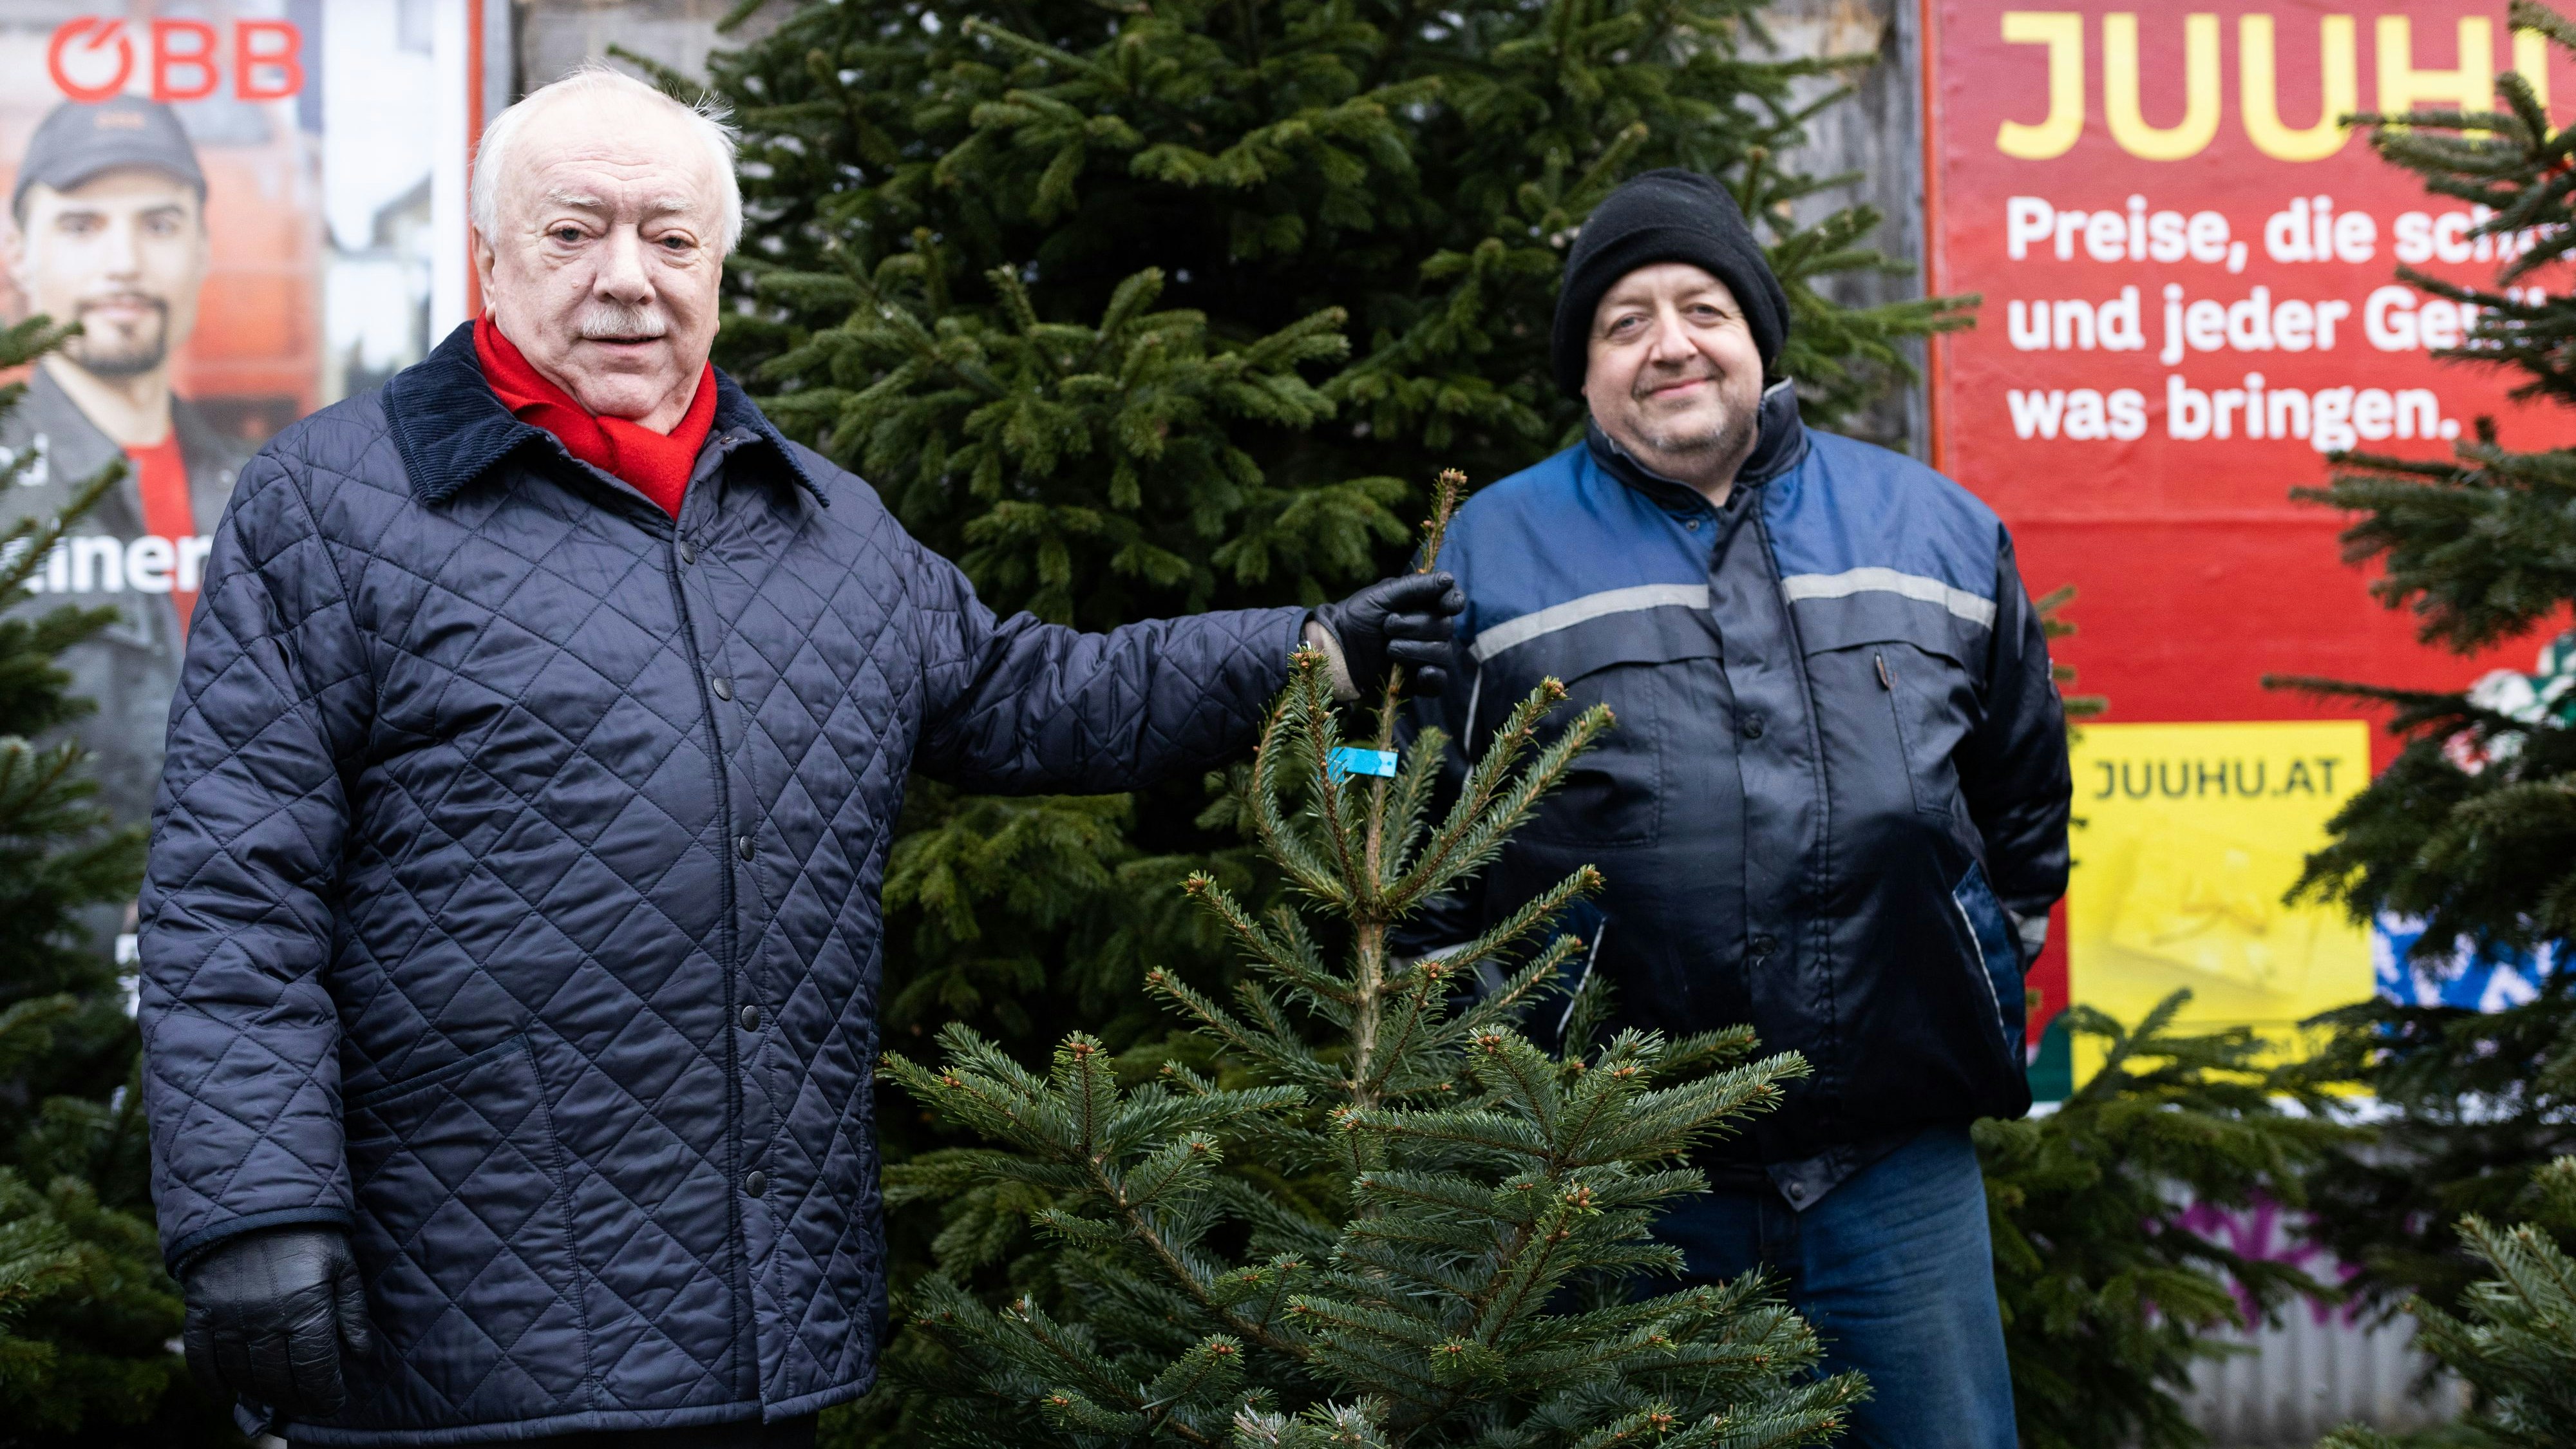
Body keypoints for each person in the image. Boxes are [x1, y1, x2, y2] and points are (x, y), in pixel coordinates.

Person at [138, 68, 1457, 1446]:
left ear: (717, 266)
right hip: (456, 1322)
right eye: (572, 232)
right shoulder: (332, 506)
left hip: (761, 1325)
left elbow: (1038, 694)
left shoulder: (826, 525)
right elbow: (233, 890)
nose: (626, 280)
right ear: (486, 261)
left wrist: (1312, 653)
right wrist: (256, 1211)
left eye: (669, 237)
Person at [1405, 169, 2070, 1448]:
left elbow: (2019, 787)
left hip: (1895, 1164)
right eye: (1622, 322)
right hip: (1611, 1176)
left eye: (1699, 306)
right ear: (1586, 371)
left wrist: (1994, 940)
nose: (1668, 345)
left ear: (1755, 332)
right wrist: (1338, 750)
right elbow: (1389, 793)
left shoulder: (1933, 528)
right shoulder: (1486, 551)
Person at [1, 95, 247, 831]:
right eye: (81, 225)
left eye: (159, 224)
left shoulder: (270, 487)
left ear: (202, 248)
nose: (124, 263)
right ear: (20, 254)